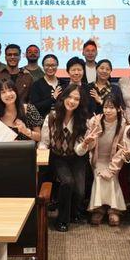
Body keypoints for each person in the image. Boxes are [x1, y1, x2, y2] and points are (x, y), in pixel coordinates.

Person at [38, 84, 90, 232]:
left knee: (80, 191)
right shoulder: (52, 117)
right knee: (67, 182)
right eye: (69, 97)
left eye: (76, 99)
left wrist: (86, 144)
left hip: (76, 157)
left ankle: (73, 213)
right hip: (58, 157)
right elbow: (44, 141)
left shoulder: (83, 120)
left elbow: (79, 151)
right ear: (63, 97)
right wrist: (42, 152)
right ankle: (62, 220)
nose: (72, 101)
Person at [75, 92, 127, 226]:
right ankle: (99, 209)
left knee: (111, 177)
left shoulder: (123, 124)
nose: (107, 110)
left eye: (111, 107)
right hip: (97, 159)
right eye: (105, 107)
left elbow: (122, 150)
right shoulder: (94, 121)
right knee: (99, 176)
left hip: (114, 160)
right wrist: (90, 140)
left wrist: (111, 169)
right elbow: (89, 146)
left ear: (118, 108)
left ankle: (113, 210)